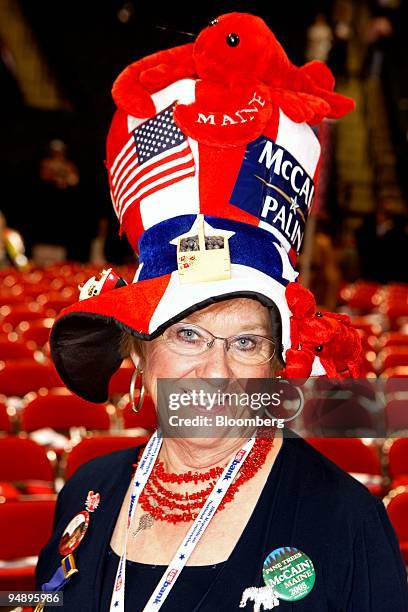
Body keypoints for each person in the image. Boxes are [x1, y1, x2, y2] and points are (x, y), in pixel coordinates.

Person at [35, 12, 408, 612]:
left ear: (278, 363)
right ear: (139, 352)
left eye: (245, 343)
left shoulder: (346, 520)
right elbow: (39, 604)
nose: (217, 372)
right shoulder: (85, 492)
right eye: (189, 334)